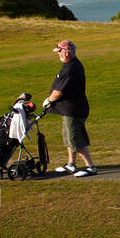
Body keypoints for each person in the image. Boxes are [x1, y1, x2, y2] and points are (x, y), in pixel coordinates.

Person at [43, 40, 97, 177]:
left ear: (66, 52)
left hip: (74, 110)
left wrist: (49, 100)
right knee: (68, 137)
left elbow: (59, 92)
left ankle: (90, 167)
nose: (58, 54)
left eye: (60, 51)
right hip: (67, 109)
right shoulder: (68, 65)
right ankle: (71, 164)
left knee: (75, 139)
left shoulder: (71, 68)